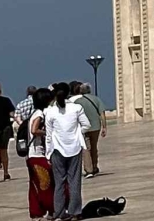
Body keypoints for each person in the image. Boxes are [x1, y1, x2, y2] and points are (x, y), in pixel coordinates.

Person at [40, 83, 88, 220]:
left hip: (57, 150)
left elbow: (49, 135)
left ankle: (59, 212)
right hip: (75, 148)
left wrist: (48, 154)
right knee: (74, 182)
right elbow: (86, 125)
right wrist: (77, 133)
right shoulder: (76, 108)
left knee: (59, 183)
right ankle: (75, 212)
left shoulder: (50, 112)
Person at [25, 88, 53, 218]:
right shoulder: (39, 114)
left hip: (31, 156)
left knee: (34, 186)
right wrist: (47, 132)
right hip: (37, 155)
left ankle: (36, 212)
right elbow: (34, 130)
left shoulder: (34, 113)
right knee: (45, 184)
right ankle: (50, 209)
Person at [73, 84, 105, 180]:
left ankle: (89, 170)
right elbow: (102, 114)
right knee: (94, 147)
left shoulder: (77, 102)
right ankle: (94, 166)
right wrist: (104, 127)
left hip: (84, 128)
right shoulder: (96, 99)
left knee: (86, 148)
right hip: (96, 127)